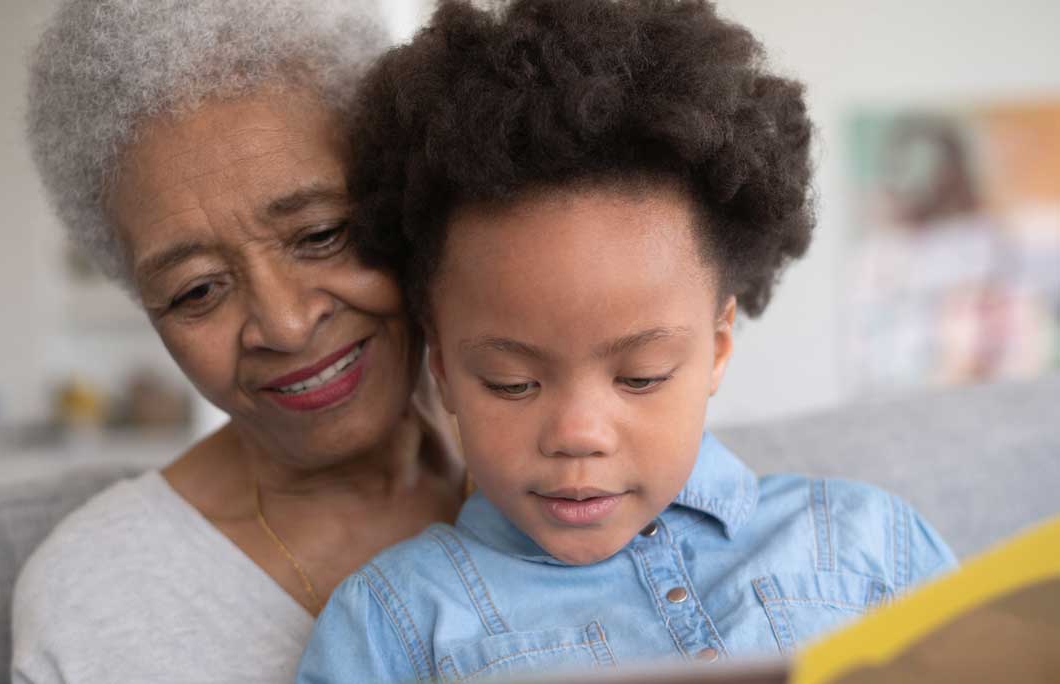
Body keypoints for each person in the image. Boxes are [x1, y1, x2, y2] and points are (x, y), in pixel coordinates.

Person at [296, 0, 957, 681]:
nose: (578, 434)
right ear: (441, 366)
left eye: (640, 375)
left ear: (719, 347)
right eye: (512, 382)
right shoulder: (395, 623)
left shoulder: (871, 547)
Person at [12, 1, 465, 682]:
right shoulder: (97, 598)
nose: (284, 325)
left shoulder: (585, 464)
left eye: (320, 235)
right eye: (197, 290)